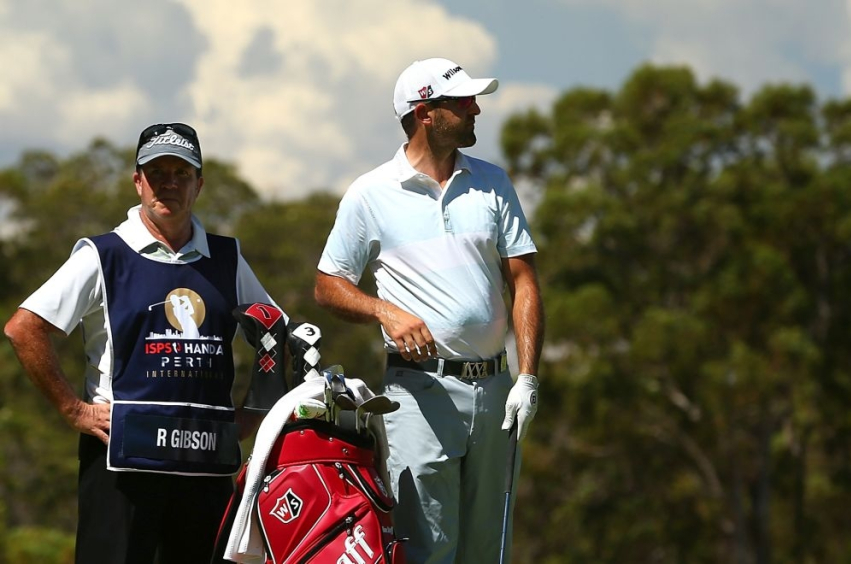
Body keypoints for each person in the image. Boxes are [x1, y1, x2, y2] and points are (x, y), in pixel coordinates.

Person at [3, 123, 283, 563]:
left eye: (181, 173)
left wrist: (253, 414)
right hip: (122, 463)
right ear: (138, 182)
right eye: (157, 173)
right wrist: (73, 410)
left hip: (205, 464)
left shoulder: (227, 258)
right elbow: (24, 327)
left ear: (199, 185)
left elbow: (275, 332)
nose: (169, 184)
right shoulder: (103, 255)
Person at [314, 57, 544, 563]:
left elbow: (523, 280)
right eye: (462, 102)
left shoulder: (493, 182)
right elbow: (328, 285)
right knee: (426, 550)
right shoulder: (370, 194)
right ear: (425, 113)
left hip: (496, 391)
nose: (475, 110)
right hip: (420, 393)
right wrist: (385, 312)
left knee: (488, 551)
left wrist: (527, 377)